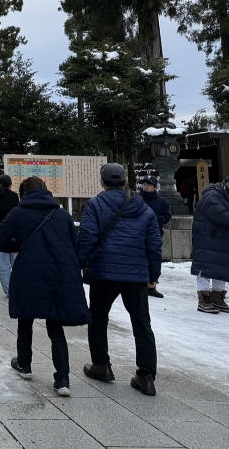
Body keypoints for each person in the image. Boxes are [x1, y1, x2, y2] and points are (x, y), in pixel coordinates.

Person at [0, 177, 89, 397]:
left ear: (23, 194)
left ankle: (24, 364)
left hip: (29, 272)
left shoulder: (18, 213)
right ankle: (62, 378)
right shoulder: (62, 215)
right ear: (46, 191)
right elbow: (74, 244)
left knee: (25, 319)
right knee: (55, 325)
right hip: (59, 273)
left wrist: (16, 245)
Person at [79, 163, 161, 397]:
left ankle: (101, 365)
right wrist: (153, 275)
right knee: (141, 323)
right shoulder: (143, 208)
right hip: (136, 274)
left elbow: (87, 238)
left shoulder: (95, 205)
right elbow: (154, 244)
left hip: (104, 272)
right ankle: (146, 376)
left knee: (98, 317)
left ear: (102, 182)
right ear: (125, 182)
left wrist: (77, 264)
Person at [190, 176, 229, 314]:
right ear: (226, 184)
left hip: (219, 241)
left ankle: (217, 297)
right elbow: (222, 214)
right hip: (206, 239)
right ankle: (204, 299)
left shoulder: (225, 196)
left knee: (221, 269)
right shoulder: (212, 196)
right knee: (204, 269)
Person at [138, 176, 171, 298]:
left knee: (154, 259)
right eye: (144, 184)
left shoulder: (162, 202)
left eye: (149, 185)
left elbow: (167, 216)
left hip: (155, 234)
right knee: (140, 258)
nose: (146, 187)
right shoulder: (137, 200)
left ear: (155, 187)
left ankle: (152, 285)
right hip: (138, 234)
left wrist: (155, 219)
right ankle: (139, 285)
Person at [0, 175, 20, 297]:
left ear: (0, 184)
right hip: (14, 235)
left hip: (0, 233)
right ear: (10, 184)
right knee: (16, 264)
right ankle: (17, 287)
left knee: (3, 266)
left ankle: (8, 290)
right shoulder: (14, 197)